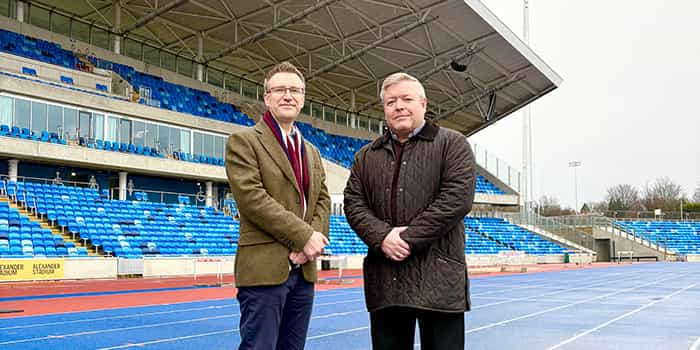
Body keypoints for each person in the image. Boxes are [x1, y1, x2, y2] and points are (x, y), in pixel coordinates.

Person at [343, 72, 475, 349]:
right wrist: (382, 237)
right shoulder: (366, 156)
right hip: (387, 281)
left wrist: (405, 239)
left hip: (439, 280)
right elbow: (354, 203)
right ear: (384, 109)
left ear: (423, 104)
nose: (399, 106)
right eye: (391, 101)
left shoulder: (452, 144)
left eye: (406, 99)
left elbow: (456, 200)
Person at [226, 61, 331, 350]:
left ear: (303, 98)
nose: (288, 96)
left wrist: (311, 244)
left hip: (304, 270)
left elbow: (322, 198)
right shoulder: (244, 141)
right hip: (264, 269)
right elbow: (252, 199)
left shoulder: (311, 150)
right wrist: (303, 237)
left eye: (295, 90)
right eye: (280, 89)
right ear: (267, 97)